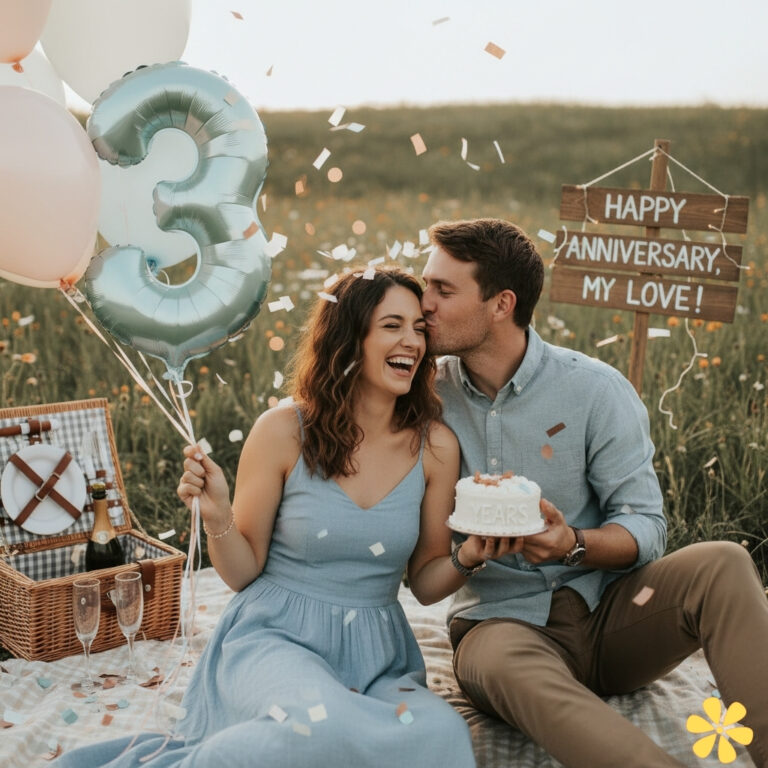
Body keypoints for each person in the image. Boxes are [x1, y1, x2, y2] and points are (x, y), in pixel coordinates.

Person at [57, 267, 491, 768]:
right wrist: (218, 513)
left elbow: (426, 581)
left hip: (377, 655)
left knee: (443, 734)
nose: (411, 341)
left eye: (419, 328)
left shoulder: (436, 446)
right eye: (392, 325)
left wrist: (469, 555)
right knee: (311, 724)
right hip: (275, 637)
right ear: (351, 337)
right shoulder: (284, 430)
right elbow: (243, 572)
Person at [420, 217, 768, 768]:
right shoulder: (424, 397)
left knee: (723, 562)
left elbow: (647, 528)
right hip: (500, 627)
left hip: (611, 617)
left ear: (501, 304)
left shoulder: (594, 390)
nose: (424, 304)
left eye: (442, 289)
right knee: (508, 662)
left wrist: (571, 543)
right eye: (424, 286)